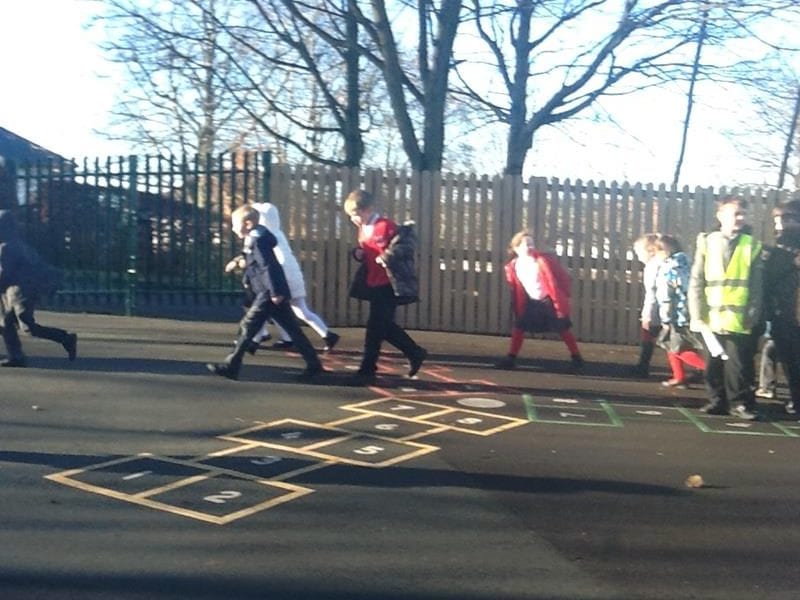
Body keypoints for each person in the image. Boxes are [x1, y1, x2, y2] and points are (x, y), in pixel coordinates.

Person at [207, 205, 323, 381]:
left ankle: (231, 365)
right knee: (292, 329)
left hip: (268, 292)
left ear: (248, 224)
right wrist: (238, 262)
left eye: (235, 225)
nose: (233, 228)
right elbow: (251, 259)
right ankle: (314, 365)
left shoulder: (258, 241)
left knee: (248, 326)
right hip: (269, 291)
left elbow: (268, 267)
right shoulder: (256, 237)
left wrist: (275, 292)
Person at [688, 197, 763, 419]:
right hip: (711, 317)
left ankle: (739, 403)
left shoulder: (751, 245)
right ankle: (717, 400)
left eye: (743, 214)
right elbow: (696, 280)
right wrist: (696, 314)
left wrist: (752, 314)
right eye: (735, 214)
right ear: (720, 216)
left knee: (738, 364)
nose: (740, 218)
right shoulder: (706, 242)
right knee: (712, 363)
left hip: (739, 318)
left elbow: (756, 286)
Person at [342, 189, 427, 386]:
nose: (354, 219)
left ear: (368, 209)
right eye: (351, 216)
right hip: (373, 281)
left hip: (389, 283)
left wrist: (387, 256)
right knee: (384, 326)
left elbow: (405, 246)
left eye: (356, 214)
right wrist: (358, 253)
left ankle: (367, 369)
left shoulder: (385, 226)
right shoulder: (363, 229)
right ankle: (415, 352)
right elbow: (366, 250)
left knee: (375, 328)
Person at [243, 201, 339, 353]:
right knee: (299, 311)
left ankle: (255, 340)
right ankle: (326, 334)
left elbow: (271, 263)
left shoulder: (263, 237)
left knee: (267, 310)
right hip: (292, 277)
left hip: (282, 280)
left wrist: (275, 286)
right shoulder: (277, 235)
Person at [494, 230, 584, 369]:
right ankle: (511, 358)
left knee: (563, 328)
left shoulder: (542, 261)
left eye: (532, 244)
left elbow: (563, 277)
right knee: (519, 326)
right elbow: (516, 286)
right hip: (532, 302)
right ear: (516, 248)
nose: (530, 247)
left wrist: (563, 296)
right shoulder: (513, 266)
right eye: (526, 244)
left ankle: (577, 358)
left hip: (549, 301)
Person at [0, 209, 77, 367]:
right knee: (5, 323)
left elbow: (4, 273)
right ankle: (16, 356)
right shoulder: (19, 245)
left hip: (20, 291)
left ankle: (65, 338)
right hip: (17, 291)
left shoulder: (7, 247)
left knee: (27, 327)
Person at [763, 199, 800, 415]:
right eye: (779, 219)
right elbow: (768, 281)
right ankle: (796, 399)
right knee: (791, 362)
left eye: (789, 219)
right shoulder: (777, 249)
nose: (783, 224)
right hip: (784, 315)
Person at [653, 234, 705, 388]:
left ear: (664, 251)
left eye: (656, 251)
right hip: (691, 310)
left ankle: (712, 370)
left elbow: (666, 295)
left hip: (677, 314)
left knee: (678, 348)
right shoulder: (687, 263)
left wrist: (666, 318)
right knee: (672, 344)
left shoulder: (669, 268)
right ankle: (678, 376)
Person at [630, 233, 663, 377]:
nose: (638, 257)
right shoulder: (662, 263)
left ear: (651, 251)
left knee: (653, 339)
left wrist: (647, 314)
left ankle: (643, 367)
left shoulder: (652, 267)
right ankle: (642, 366)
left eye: (639, 253)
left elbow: (652, 293)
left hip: (656, 311)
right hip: (663, 309)